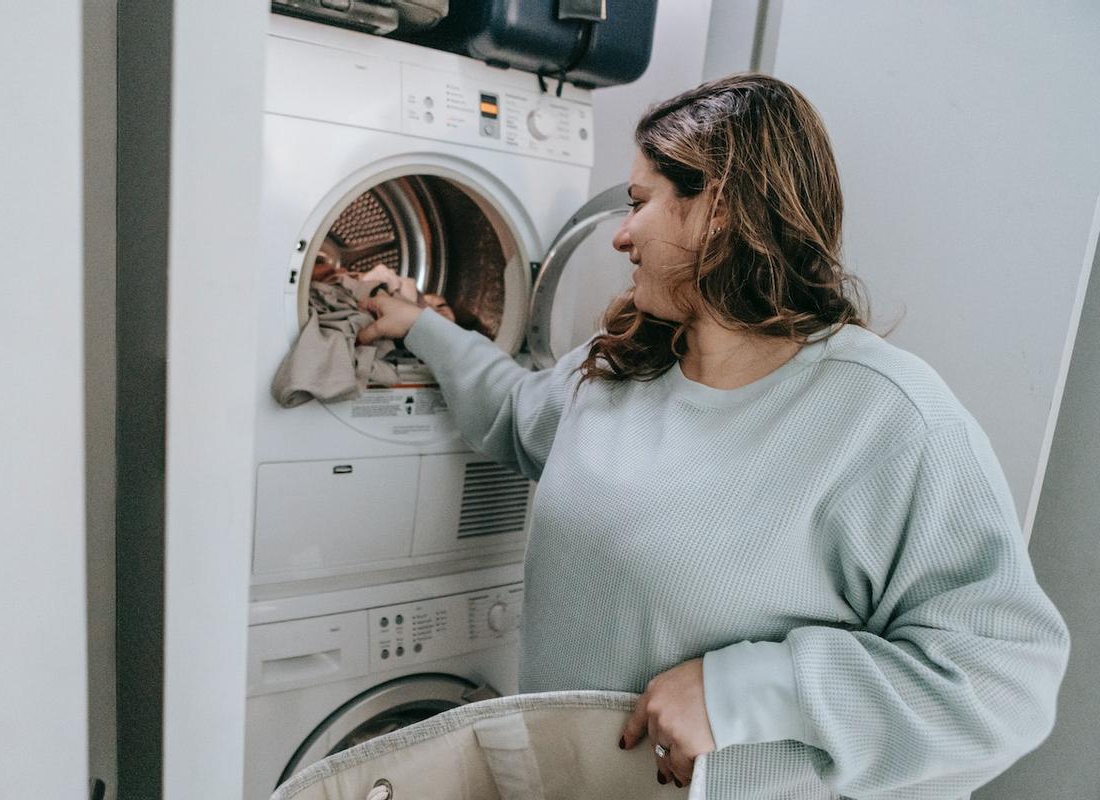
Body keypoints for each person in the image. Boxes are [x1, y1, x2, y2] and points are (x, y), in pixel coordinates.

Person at [356, 74, 1069, 798]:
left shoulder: (886, 418)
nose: (621, 235)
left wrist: (745, 690)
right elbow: (513, 412)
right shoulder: (623, 365)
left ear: (719, 209)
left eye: (640, 203)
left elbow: (1002, 684)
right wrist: (424, 327)